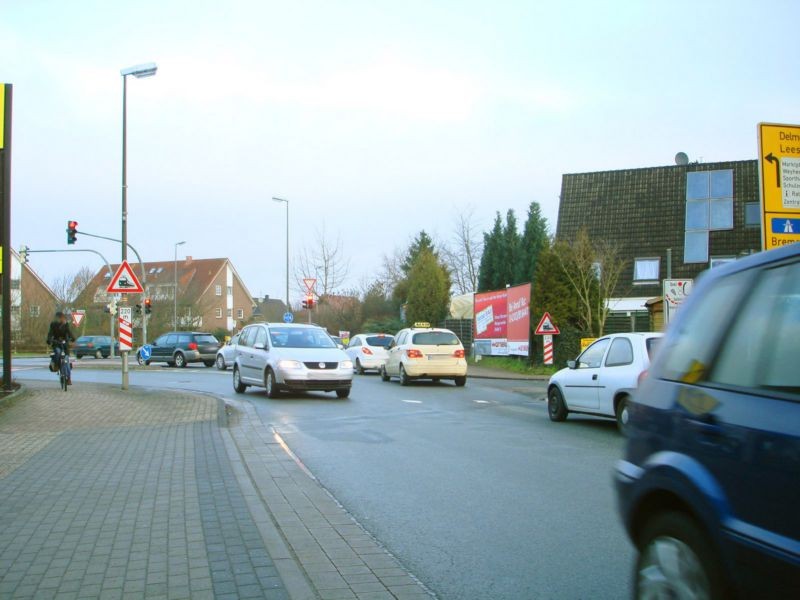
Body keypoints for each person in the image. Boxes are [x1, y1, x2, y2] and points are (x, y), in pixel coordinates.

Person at [47, 311, 76, 384]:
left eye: (63, 318)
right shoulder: (53, 325)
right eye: (61, 318)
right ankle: (56, 365)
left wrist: (72, 338)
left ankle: (68, 378)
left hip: (64, 344)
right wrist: (49, 340)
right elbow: (50, 333)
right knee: (58, 352)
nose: (63, 319)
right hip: (56, 343)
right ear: (58, 318)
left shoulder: (66, 325)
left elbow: (69, 332)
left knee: (66, 360)